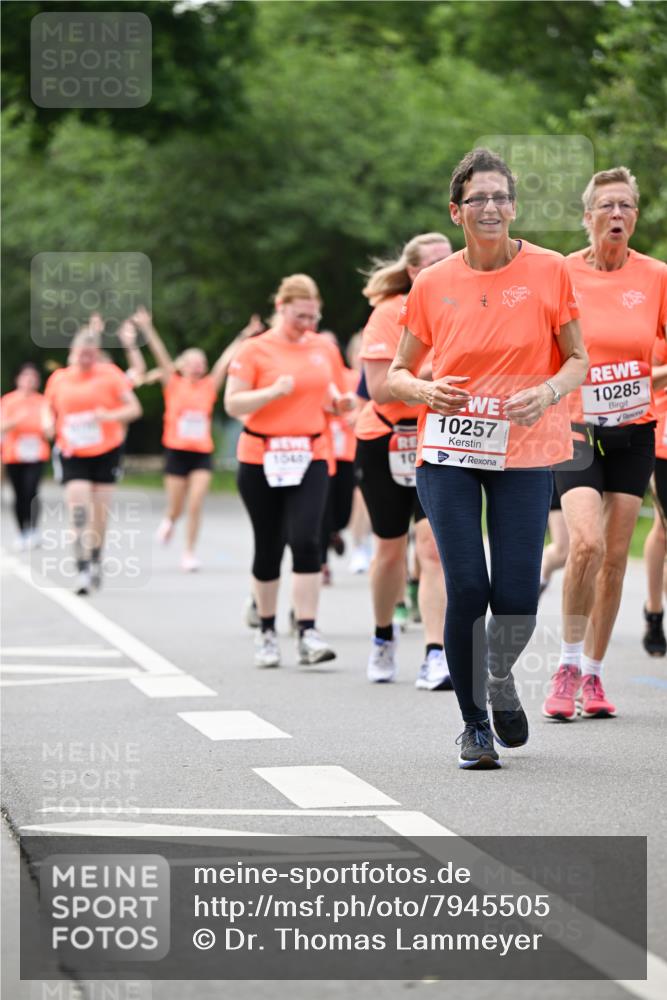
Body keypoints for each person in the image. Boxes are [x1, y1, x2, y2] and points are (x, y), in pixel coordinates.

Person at [388, 147, 587, 768]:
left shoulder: (551, 270)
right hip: (448, 450)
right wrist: (424, 390)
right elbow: (396, 374)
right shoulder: (433, 282)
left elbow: (578, 360)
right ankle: (475, 724)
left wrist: (548, 390)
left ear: (514, 206)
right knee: (467, 585)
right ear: (457, 211)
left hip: (524, 449)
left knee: (518, 596)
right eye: (479, 198)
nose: (493, 206)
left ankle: (498, 675)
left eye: (502, 196)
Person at [545, 166, 667, 720]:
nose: (617, 216)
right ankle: (567, 663)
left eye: (626, 207)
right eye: (607, 206)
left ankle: (593, 676)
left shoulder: (656, 277)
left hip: (634, 428)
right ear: (587, 215)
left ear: (635, 216)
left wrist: (642, 382)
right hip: (573, 425)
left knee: (616, 559)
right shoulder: (561, 273)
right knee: (586, 545)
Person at [225, 274, 353, 668]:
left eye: (313, 317)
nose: (307, 325)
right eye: (300, 316)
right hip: (261, 455)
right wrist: (272, 392)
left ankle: (308, 633)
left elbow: (329, 391)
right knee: (268, 544)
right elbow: (233, 404)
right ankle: (266, 631)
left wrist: (340, 403)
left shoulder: (323, 347)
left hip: (310, 452)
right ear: (281, 308)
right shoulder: (254, 350)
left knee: (307, 540)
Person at [356, 232, 453, 690]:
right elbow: (377, 388)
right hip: (386, 438)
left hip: (439, 438)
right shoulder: (388, 314)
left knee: (433, 548)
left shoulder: (463, 305)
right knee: (390, 550)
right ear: (414, 271)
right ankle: (382, 636)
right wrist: (435, 372)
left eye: (449, 259)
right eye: (433, 262)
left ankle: (436, 653)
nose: (444, 267)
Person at [132, 307, 262, 571]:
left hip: (201, 453)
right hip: (176, 452)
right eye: (193, 363)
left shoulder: (208, 386)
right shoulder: (173, 383)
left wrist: (244, 336)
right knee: (177, 507)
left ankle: (189, 552)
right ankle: (169, 520)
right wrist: (147, 328)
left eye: (201, 363)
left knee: (196, 502)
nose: (198, 367)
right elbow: (160, 354)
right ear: (184, 365)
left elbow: (225, 362)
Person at [43, 327, 142, 594]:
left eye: (91, 355)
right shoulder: (59, 379)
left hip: (106, 450)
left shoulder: (110, 375)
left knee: (99, 513)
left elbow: (134, 408)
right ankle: (82, 568)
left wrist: (108, 416)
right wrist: (47, 423)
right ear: (72, 353)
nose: (85, 360)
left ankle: (96, 555)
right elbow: (47, 408)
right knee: (78, 510)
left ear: (97, 355)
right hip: (73, 452)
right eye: (81, 354)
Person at [1, 363, 50, 550]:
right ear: (18, 379)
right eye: (26, 376)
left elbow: (49, 427)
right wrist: (16, 420)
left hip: (36, 453)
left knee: (32, 491)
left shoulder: (43, 401)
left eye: (33, 377)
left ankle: (33, 530)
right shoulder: (8, 401)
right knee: (19, 494)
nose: (30, 380)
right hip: (14, 454)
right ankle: (22, 531)